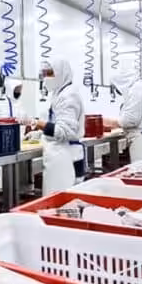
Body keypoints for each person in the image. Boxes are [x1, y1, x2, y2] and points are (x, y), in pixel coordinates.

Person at [30, 59, 86, 195]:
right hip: (61, 155)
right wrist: (40, 133)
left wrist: (36, 123)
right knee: (56, 203)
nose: (46, 78)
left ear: (61, 73)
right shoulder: (59, 93)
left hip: (66, 157)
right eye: (44, 74)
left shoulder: (68, 95)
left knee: (64, 204)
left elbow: (64, 131)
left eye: (49, 73)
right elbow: (57, 123)